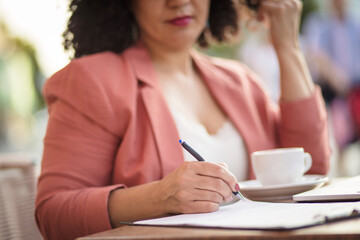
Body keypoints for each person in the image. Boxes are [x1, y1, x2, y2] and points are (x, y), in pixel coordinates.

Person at [35, 0, 331, 239]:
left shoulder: (241, 82)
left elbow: (312, 170)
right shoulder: (93, 80)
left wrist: (287, 45)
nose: (178, 2)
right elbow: (54, 214)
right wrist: (160, 197)